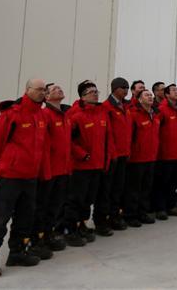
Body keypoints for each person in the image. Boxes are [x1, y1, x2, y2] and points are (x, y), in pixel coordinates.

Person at [0, 79, 49, 278]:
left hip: (31, 177)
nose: (42, 93)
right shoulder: (12, 114)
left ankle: (18, 252)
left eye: (44, 90)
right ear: (27, 90)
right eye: (38, 89)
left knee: (25, 217)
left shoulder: (41, 115)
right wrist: (12, 161)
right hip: (11, 177)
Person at [64, 81, 114, 246]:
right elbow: (68, 140)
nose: (95, 94)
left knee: (88, 199)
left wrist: (107, 159)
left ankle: (82, 224)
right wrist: (82, 155)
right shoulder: (75, 114)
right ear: (83, 96)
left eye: (96, 91)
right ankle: (70, 229)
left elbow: (106, 140)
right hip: (80, 166)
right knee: (76, 199)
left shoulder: (101, 114)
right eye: (91, 92)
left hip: (97, 166)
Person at [31, 83, 71, 259]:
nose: (59, 90)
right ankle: (37, 240)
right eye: (54, 89)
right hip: (48, 170)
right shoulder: (44, 114)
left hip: (63, 169)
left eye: (60, 88)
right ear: (46, 97)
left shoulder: (64, 115)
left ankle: (48, 235)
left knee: (55, 207)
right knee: (43, 207)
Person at [95, 77, 130, 234]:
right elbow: (106, 133)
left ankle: (114, 216)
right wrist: (112, 153)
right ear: (115, 88)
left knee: (118, 189)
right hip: (111, 156)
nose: (126, 90)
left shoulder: (124, 106)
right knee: (106, 190)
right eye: (123, 87)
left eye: (127, 87)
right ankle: (101, 220)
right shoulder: (106, 107)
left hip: (123, 154)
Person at [125, 89, 160, 226]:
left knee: (146, 188)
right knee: (134, 189)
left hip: (151, 157)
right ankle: (130, 215)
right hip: (137, 158)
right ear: (139, 99)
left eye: (151, 95)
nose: (150, 97)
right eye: (146, 95)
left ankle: (142, 212)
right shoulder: (134, 114)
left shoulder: (155, 114)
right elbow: (129, 136)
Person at [153, 84, 177, 219]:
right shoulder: (161, 110)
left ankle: (171, 205)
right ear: (166, 95)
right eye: (173, 90)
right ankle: (160, 208)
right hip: (164, 155)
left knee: (174, 182)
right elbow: (154, 131)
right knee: (162, 183)